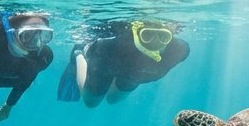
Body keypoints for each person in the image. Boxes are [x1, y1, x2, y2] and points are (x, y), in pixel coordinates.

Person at [56, 20, 190, 107]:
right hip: (106, 65)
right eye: (147, 35)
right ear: (137, 35)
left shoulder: (179, 50)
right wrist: (83, 51)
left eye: (163, 36)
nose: (155, 43)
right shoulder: (113, 46)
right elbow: (95, 49)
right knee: (91, 103)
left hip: (133, 75)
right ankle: (78, 53)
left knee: (113, 100)